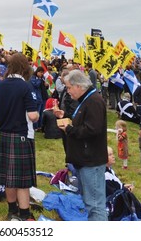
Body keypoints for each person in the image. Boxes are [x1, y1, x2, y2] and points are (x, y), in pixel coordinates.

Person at [57, 69, 108, 221]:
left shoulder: (93, 101)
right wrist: (65, 116)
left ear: (78, 86)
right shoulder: (86, 100)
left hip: (91, 160)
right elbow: (83, 122)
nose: (68, 91)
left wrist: (69, 129)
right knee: (90, 202)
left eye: (69, 87)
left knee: (95, 205)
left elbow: (92, 129)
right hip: (85, 159)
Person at [0, 53, 39, 221]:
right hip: (22, 135)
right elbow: (33, 115)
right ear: (24, 67)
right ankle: (25, 213)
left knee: (9, 178)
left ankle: (12, 210)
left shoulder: (0, 86)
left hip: (5, 134)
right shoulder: (25, 87)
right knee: (22, 180)